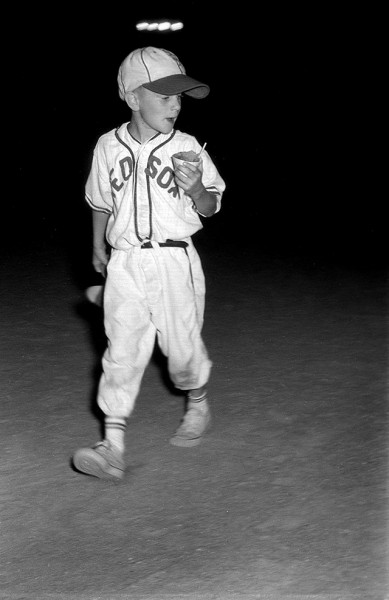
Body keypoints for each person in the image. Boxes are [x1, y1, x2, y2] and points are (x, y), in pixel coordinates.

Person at [72, 47, 226, 481]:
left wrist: (197, 190)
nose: (176, 105)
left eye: (180, 97)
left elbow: (211, 206)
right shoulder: (107, 146)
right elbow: (99, 200)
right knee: (120, 352)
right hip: (125, 262)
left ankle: (197, 401)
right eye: (164, 96)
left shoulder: (187, 147)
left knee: (180, 352)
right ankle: (112, 445)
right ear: (133, 96)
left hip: (174, 259)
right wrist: (98, 247)